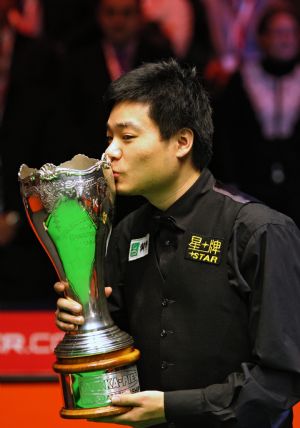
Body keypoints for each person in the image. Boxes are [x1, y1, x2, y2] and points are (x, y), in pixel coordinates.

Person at [54, 59, 300, 428]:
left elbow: (281, 381)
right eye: (109, 138)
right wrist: (86, 317)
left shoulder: (259, 230)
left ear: (182, 142)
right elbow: (117, 352)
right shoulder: (125, 232)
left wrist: (174, 407)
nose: (110, 153)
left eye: (128, 137)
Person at [211, 5, 300, 228]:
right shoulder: (242, 80)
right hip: (251, 187)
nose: (285, 40)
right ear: (262, 38)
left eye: (291, 33)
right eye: (278, 33)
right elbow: (227, 137)